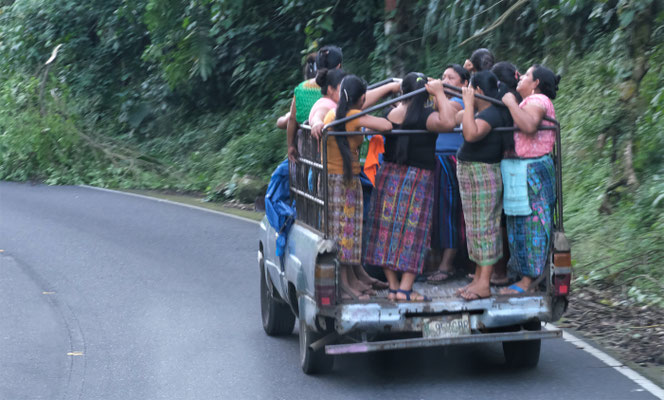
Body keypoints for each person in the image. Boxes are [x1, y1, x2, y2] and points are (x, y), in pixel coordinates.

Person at [363, 72, 457, 302]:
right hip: (419, 180)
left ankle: (394, 287)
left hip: (390, 177)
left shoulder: (390, 114)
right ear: (425, 93)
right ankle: (406, 288)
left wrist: (389, 90)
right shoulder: (427, 116)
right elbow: (449, 122)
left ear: (402, 92)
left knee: (385, 231)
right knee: (415, 234)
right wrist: (440, 94)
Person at [322, 75, 393, 300]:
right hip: (340, 181)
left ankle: (355, 276)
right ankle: (345, 283)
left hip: (342, 179)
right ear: (362, 98)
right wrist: (365, 114)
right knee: (344, 230)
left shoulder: (335, 114)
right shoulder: (353, 116)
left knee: (349, 229)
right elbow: (387, 125)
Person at [499, 65, 561, 295]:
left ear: (535, 83)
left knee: (532, 224)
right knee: (518, 222)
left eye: (526, 75)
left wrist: (510, 102)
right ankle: (522, 278)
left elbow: (528, 126)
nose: (521, 77)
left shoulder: (539, 101)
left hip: (533, 170)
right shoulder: (528, 102)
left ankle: (526, 282)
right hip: (521, 170)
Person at [455, 71, 513, 300]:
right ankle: (479, 280)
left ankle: (484, 284)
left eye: (469, 88)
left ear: (478, 91)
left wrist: (468, 104)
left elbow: (470, 134)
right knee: (476, 228)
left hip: (483, 174)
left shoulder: (491, 113)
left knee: (485, 228)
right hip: (473, 173)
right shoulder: (488, 111)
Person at [427, 64, 469, 284]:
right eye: (442, 76)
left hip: (450, 159)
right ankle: (441, 260)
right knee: (440, 212)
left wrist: (439, 93)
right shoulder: (442, 99)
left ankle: (447, 264)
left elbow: (450, 117)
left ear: (464, 84)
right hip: (438, 158)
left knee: (449, 212)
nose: (444, 80)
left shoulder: (460, 101)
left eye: (450, 78)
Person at [287, 46, 343, 162]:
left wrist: (290, 145)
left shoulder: (301, 88)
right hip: (330, 151)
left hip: (304, 148)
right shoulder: (337, 90)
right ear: (338, 66)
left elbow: (292, 119)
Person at [277, 52, 317, 130]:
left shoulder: (301, 88)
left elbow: (292, 118)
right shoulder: (333, 85)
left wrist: (290, 142)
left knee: (288, 117)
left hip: (306, 127)